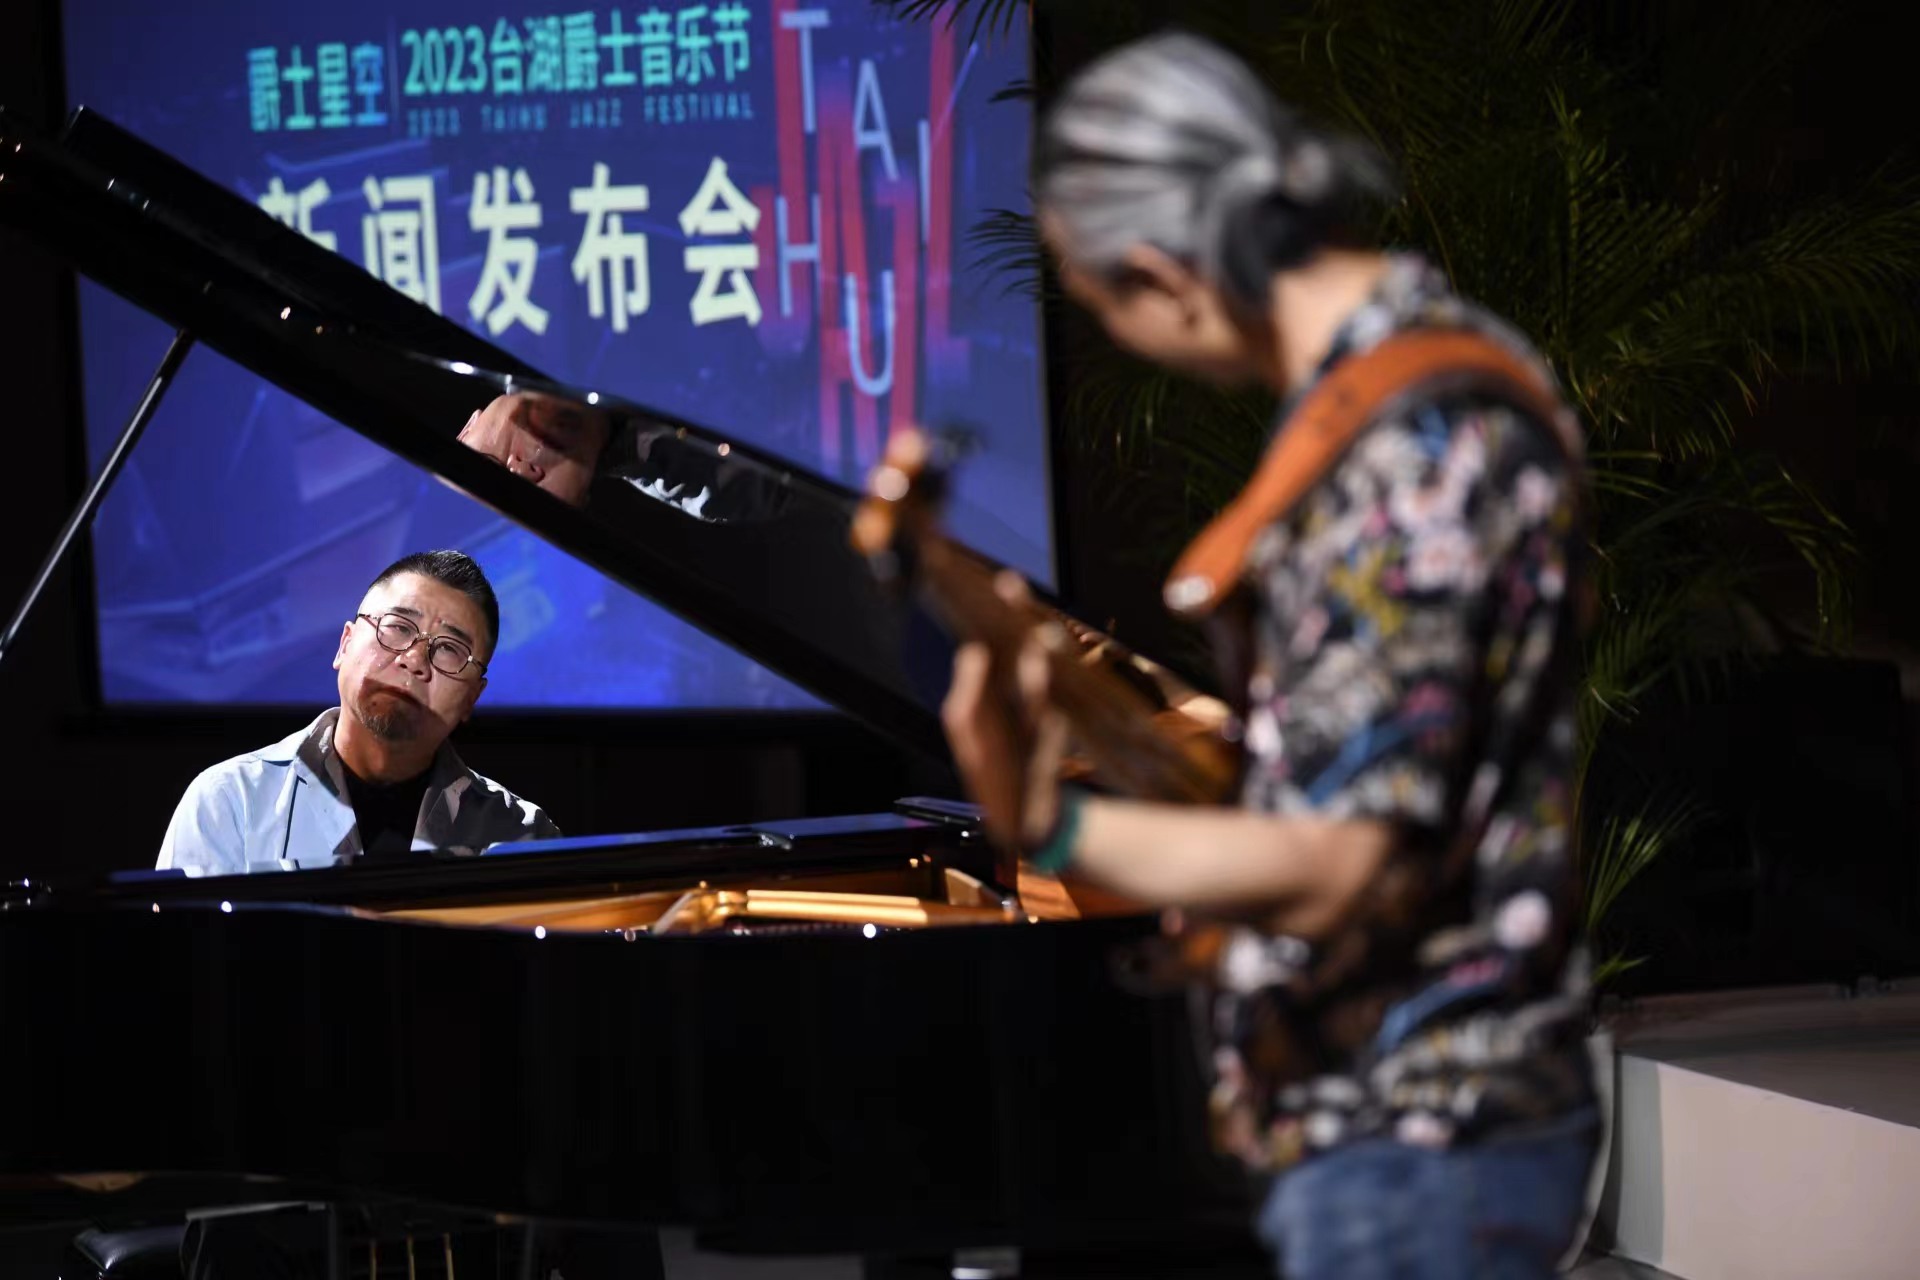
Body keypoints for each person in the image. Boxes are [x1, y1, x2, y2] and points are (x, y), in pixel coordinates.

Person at [939, 31, 1599, 1280]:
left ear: (1164, 275)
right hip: (1424, 1129)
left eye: (1108, 309)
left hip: (1412, 1138)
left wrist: (1050, 823)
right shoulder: (1430, 380)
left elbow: (1336, 863)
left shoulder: (1410, 454)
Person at [157, 549, 559, 875]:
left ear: (472, 697)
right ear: (344, 645)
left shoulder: (522, 837)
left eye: (450, 650)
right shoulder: (231, 801)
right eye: (399, 627)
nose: (415, 660)